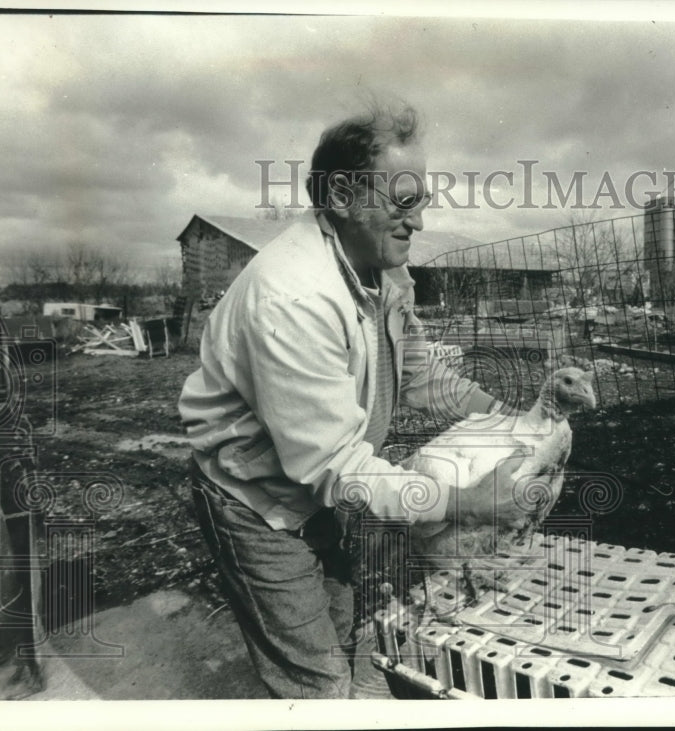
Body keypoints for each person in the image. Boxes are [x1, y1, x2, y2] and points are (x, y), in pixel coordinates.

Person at [178, 101, 524, 699]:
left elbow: (416, 373)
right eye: (402, 202)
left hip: (318, 482)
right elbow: (334, 467)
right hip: (254, 497)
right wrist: (466, 502)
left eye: (421, 202)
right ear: (341, 196)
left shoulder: (384, 269)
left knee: (340, 629)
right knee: (316, 681)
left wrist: (519, 421)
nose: (417, 222)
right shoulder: (294, 297)